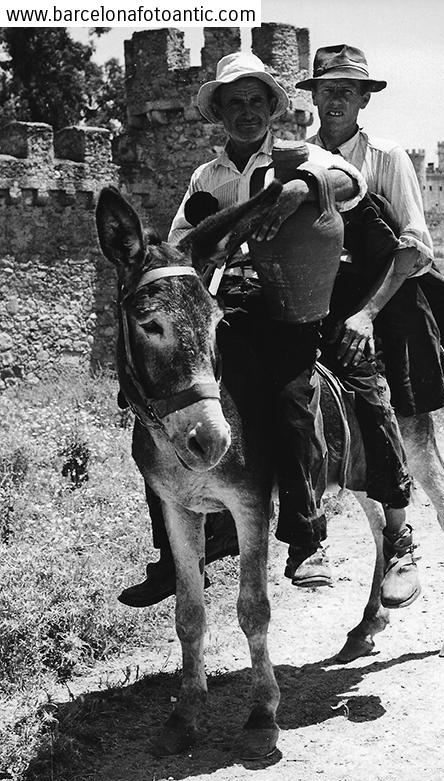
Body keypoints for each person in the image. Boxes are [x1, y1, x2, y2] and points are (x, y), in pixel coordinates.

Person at [119, 51, 411, 605]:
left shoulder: (298, 156)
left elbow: (349, 182)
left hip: (288, 302)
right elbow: (181, 245)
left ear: (273, 108)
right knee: (153, 402)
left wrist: (304, 186)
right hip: (224, 304)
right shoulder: (207, 176)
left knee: (290, 393)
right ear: (221, 112)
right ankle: (174, 552)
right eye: (236, 102)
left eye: (257, 100)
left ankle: (305, 539)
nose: (247, 111)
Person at [296, 44, 444, 607]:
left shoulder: (387, 158)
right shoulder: (292, 158)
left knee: (375, 401)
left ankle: (402, 539)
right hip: (308, 300)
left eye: (347, 89)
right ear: (311, 96)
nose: (334, 98)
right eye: (325, 88)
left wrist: (365, 314)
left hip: (376, 303)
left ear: (365, 99)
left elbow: (415, 248)